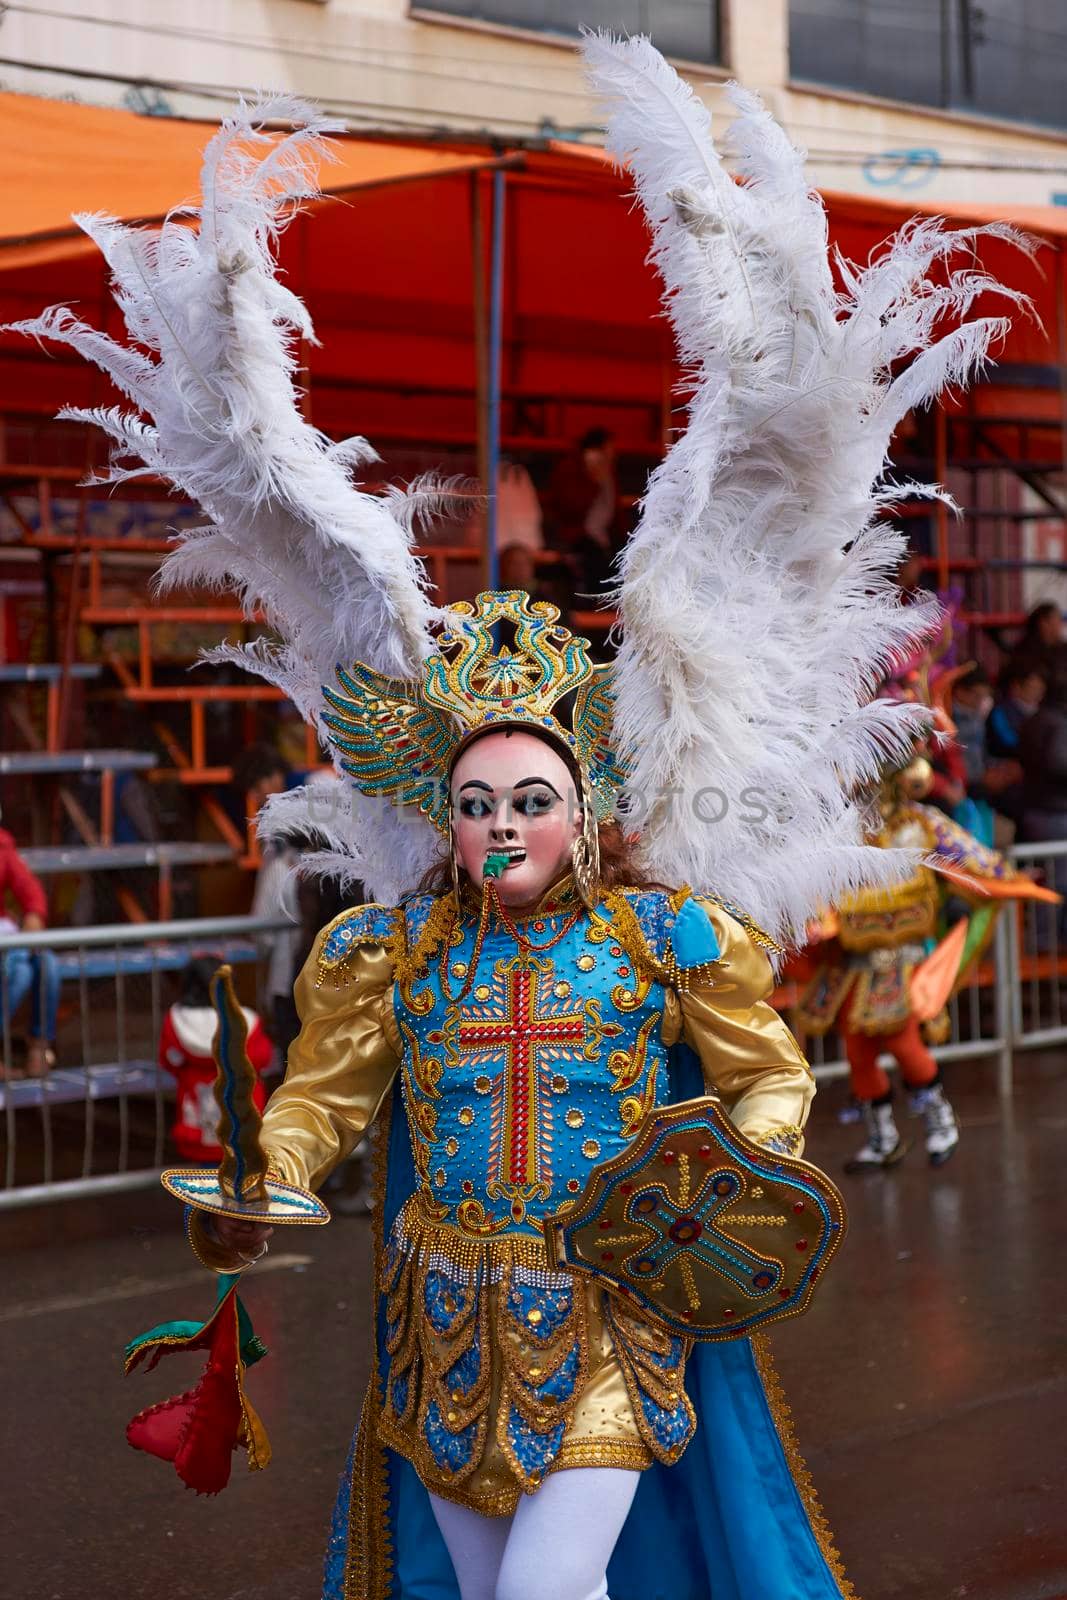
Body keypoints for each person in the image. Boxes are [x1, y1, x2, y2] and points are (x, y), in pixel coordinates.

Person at [23, 29, 1028, 1599]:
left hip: (611, 1332)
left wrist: (711, 1179)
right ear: (439, 799)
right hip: (440, 1339)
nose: (497, 825)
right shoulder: (393, 946)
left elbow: (766, 1090)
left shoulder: (662, 934)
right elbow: (327, 1103)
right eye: (475, 800)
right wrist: (261, 1181)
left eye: (529, 800)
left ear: (587, 803)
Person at [797, 749, 1051, 1172]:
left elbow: (971, 857)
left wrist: (1011, 879)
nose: (867, 789)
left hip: (901, 956)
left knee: (902, 1041)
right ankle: (883, 1138)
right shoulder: (842, 831)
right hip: (852, 960)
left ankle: (939, 1120)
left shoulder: (922, 823)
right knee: (858, 1052)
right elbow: (817, 884)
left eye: (876, 778)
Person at [159, 955, 272, 1163]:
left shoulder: (175, 1023)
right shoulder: (248, 1023)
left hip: (197, 1124)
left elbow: (169, 1061)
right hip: (243, 1122)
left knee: (205, 1182)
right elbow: (263, 1057)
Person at [0, 816, 59, 1078]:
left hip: (5, 934)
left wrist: (34, 913)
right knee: (21, 973)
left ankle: (39, 1046)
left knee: (47, 962)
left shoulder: (2, 845)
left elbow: (29, 887)